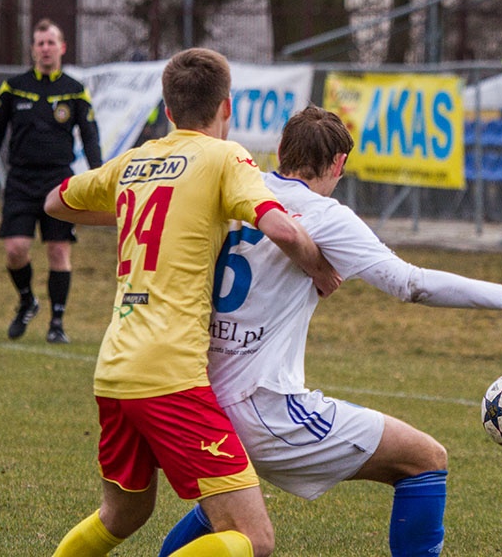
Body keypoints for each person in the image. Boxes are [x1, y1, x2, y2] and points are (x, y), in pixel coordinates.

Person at [157, 105, 502, 557]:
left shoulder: (234, 193)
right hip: (264, 406)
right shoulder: (325, 215)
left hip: (201, 402)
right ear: (339, 164)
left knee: (227, 512)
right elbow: (409, 283)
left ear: (281, 150)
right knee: (425, 460)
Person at [43, 48, 341, 557]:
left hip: (115, 371)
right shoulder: (226, 157)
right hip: (170, 376)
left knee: (124, 513)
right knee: (254, 538)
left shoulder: (136, 159)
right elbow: (279, 227)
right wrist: (319, 267)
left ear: (166, 108)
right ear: (227, 107)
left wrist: (125, 210)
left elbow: (56, 202)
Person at [0, 18, 102, 344]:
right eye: (40, 43)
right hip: (21, 180)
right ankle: (28, 300)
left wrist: (100, 176)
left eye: (51, 42)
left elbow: (90, 136)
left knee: (59, 250)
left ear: (62, 47)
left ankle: (57, 322)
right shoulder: (13, 87)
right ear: (33, 49)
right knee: (16, 249)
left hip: (59, 181)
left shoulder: (74, 90)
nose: (45, 48)